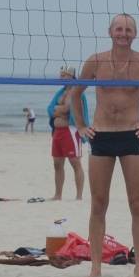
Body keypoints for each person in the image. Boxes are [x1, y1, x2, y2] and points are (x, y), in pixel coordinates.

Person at [70, 13, 139, 277]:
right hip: (101, 135)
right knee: (98, 203)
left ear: (134, 34)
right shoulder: (96, 61)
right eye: (119, 29)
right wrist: (81, 126)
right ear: (110, 32)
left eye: (128, 29)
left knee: (137, 202)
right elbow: (75, 94)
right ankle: (95, 268)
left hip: (132, 135)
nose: (123, 33)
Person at [47, 66, 90, 201]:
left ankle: (79, 196)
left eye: (63, 75)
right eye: (60, 75)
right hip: (57, 132)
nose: (60, 77)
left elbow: (68, 110)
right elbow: (50, 109)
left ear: (71, 76)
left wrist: (60, 110)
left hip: (71, 131)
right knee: (57, 164)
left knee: (75, 162)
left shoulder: (77, 92)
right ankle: (58, 195)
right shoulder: (60, 92)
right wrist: (61, 110)